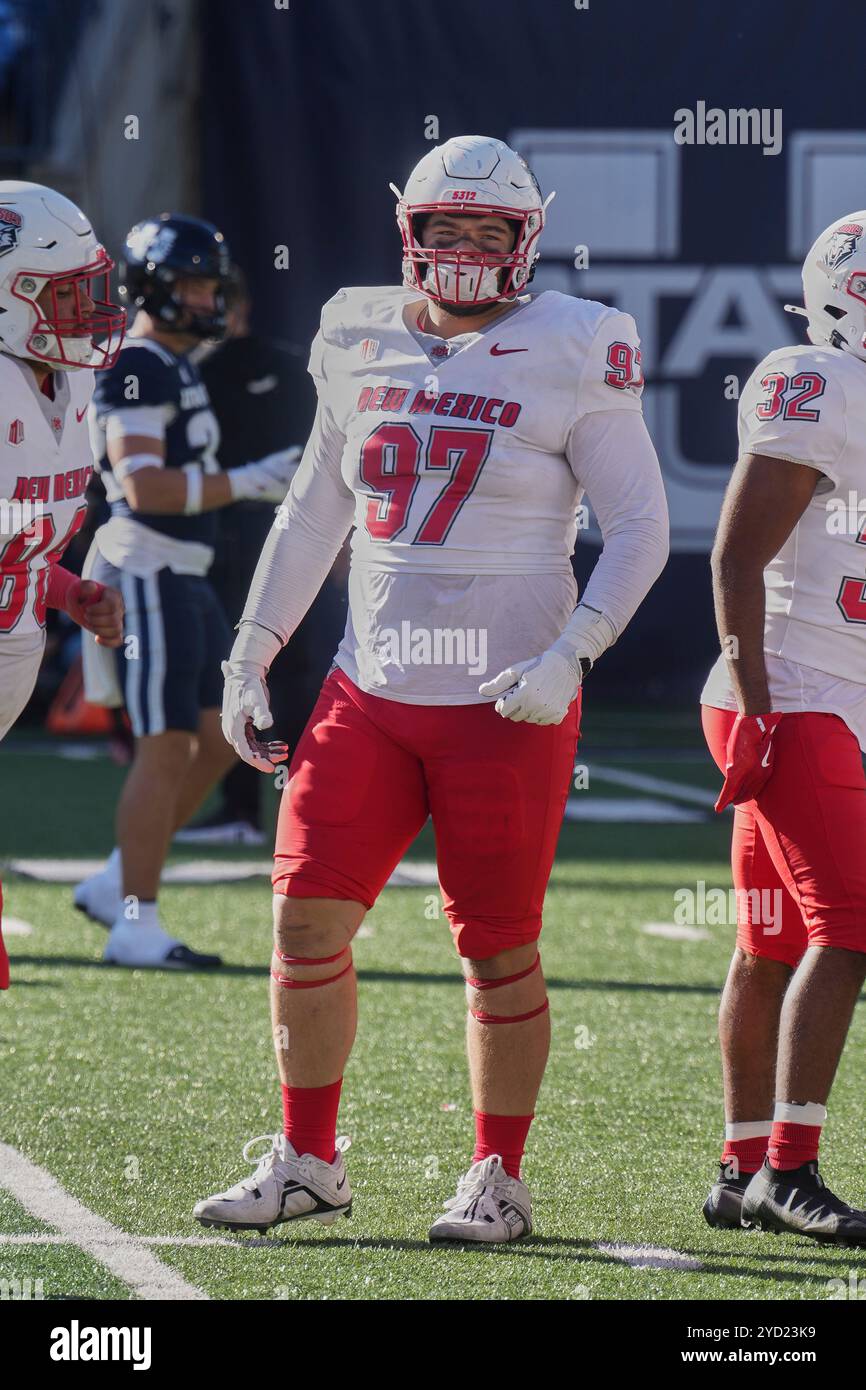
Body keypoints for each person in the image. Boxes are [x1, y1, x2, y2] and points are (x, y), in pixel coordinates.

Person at [194, 135, 669, 1242]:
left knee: (495, 945)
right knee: (304, 918)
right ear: (406, 233)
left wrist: (574, 651)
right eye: (441, 229)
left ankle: (497, 1176)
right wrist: (252, 646)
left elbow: (641, 524)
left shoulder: (575, 341)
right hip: (370, 689)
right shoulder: (355, 329)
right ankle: (309, 1158)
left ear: (526, 240)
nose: (461, 250)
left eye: (486, 231)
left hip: (506, 699)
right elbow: (314, 504)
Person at [72, 214, 299, 970]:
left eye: (212, 286)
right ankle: (135, 921)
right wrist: (254, 480)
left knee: (218, 739)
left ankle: (115, 880)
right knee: (165, 745)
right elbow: (142, 487)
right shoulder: (138, 362)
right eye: (193, 285)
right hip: (149, 567)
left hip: (184, 574)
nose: (207, 300)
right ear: (154, 288)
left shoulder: (175, 362)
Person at [701, 210, 866, 1245]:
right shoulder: (814, 379)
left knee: (768, 941)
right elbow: (730, 559)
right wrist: (759, 705)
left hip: (817, 689)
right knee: (847, 928)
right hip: (787, 692)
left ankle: (739, 1161)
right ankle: (788, 1170)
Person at [0, 179, 125, 989]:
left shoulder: (68, 382)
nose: (88, 313)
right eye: (63, 295)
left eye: (90, 290)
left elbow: (21, 537)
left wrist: (66, 591)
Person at [176, 267, 346, 846]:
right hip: (216, 539)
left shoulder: (295, 369)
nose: (214, 309)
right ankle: (246, 804)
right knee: (234, 669)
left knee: (291, 669)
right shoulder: (182, 373)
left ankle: (290, 801)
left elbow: (332, 465)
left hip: (291, 533)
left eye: (220, 297)